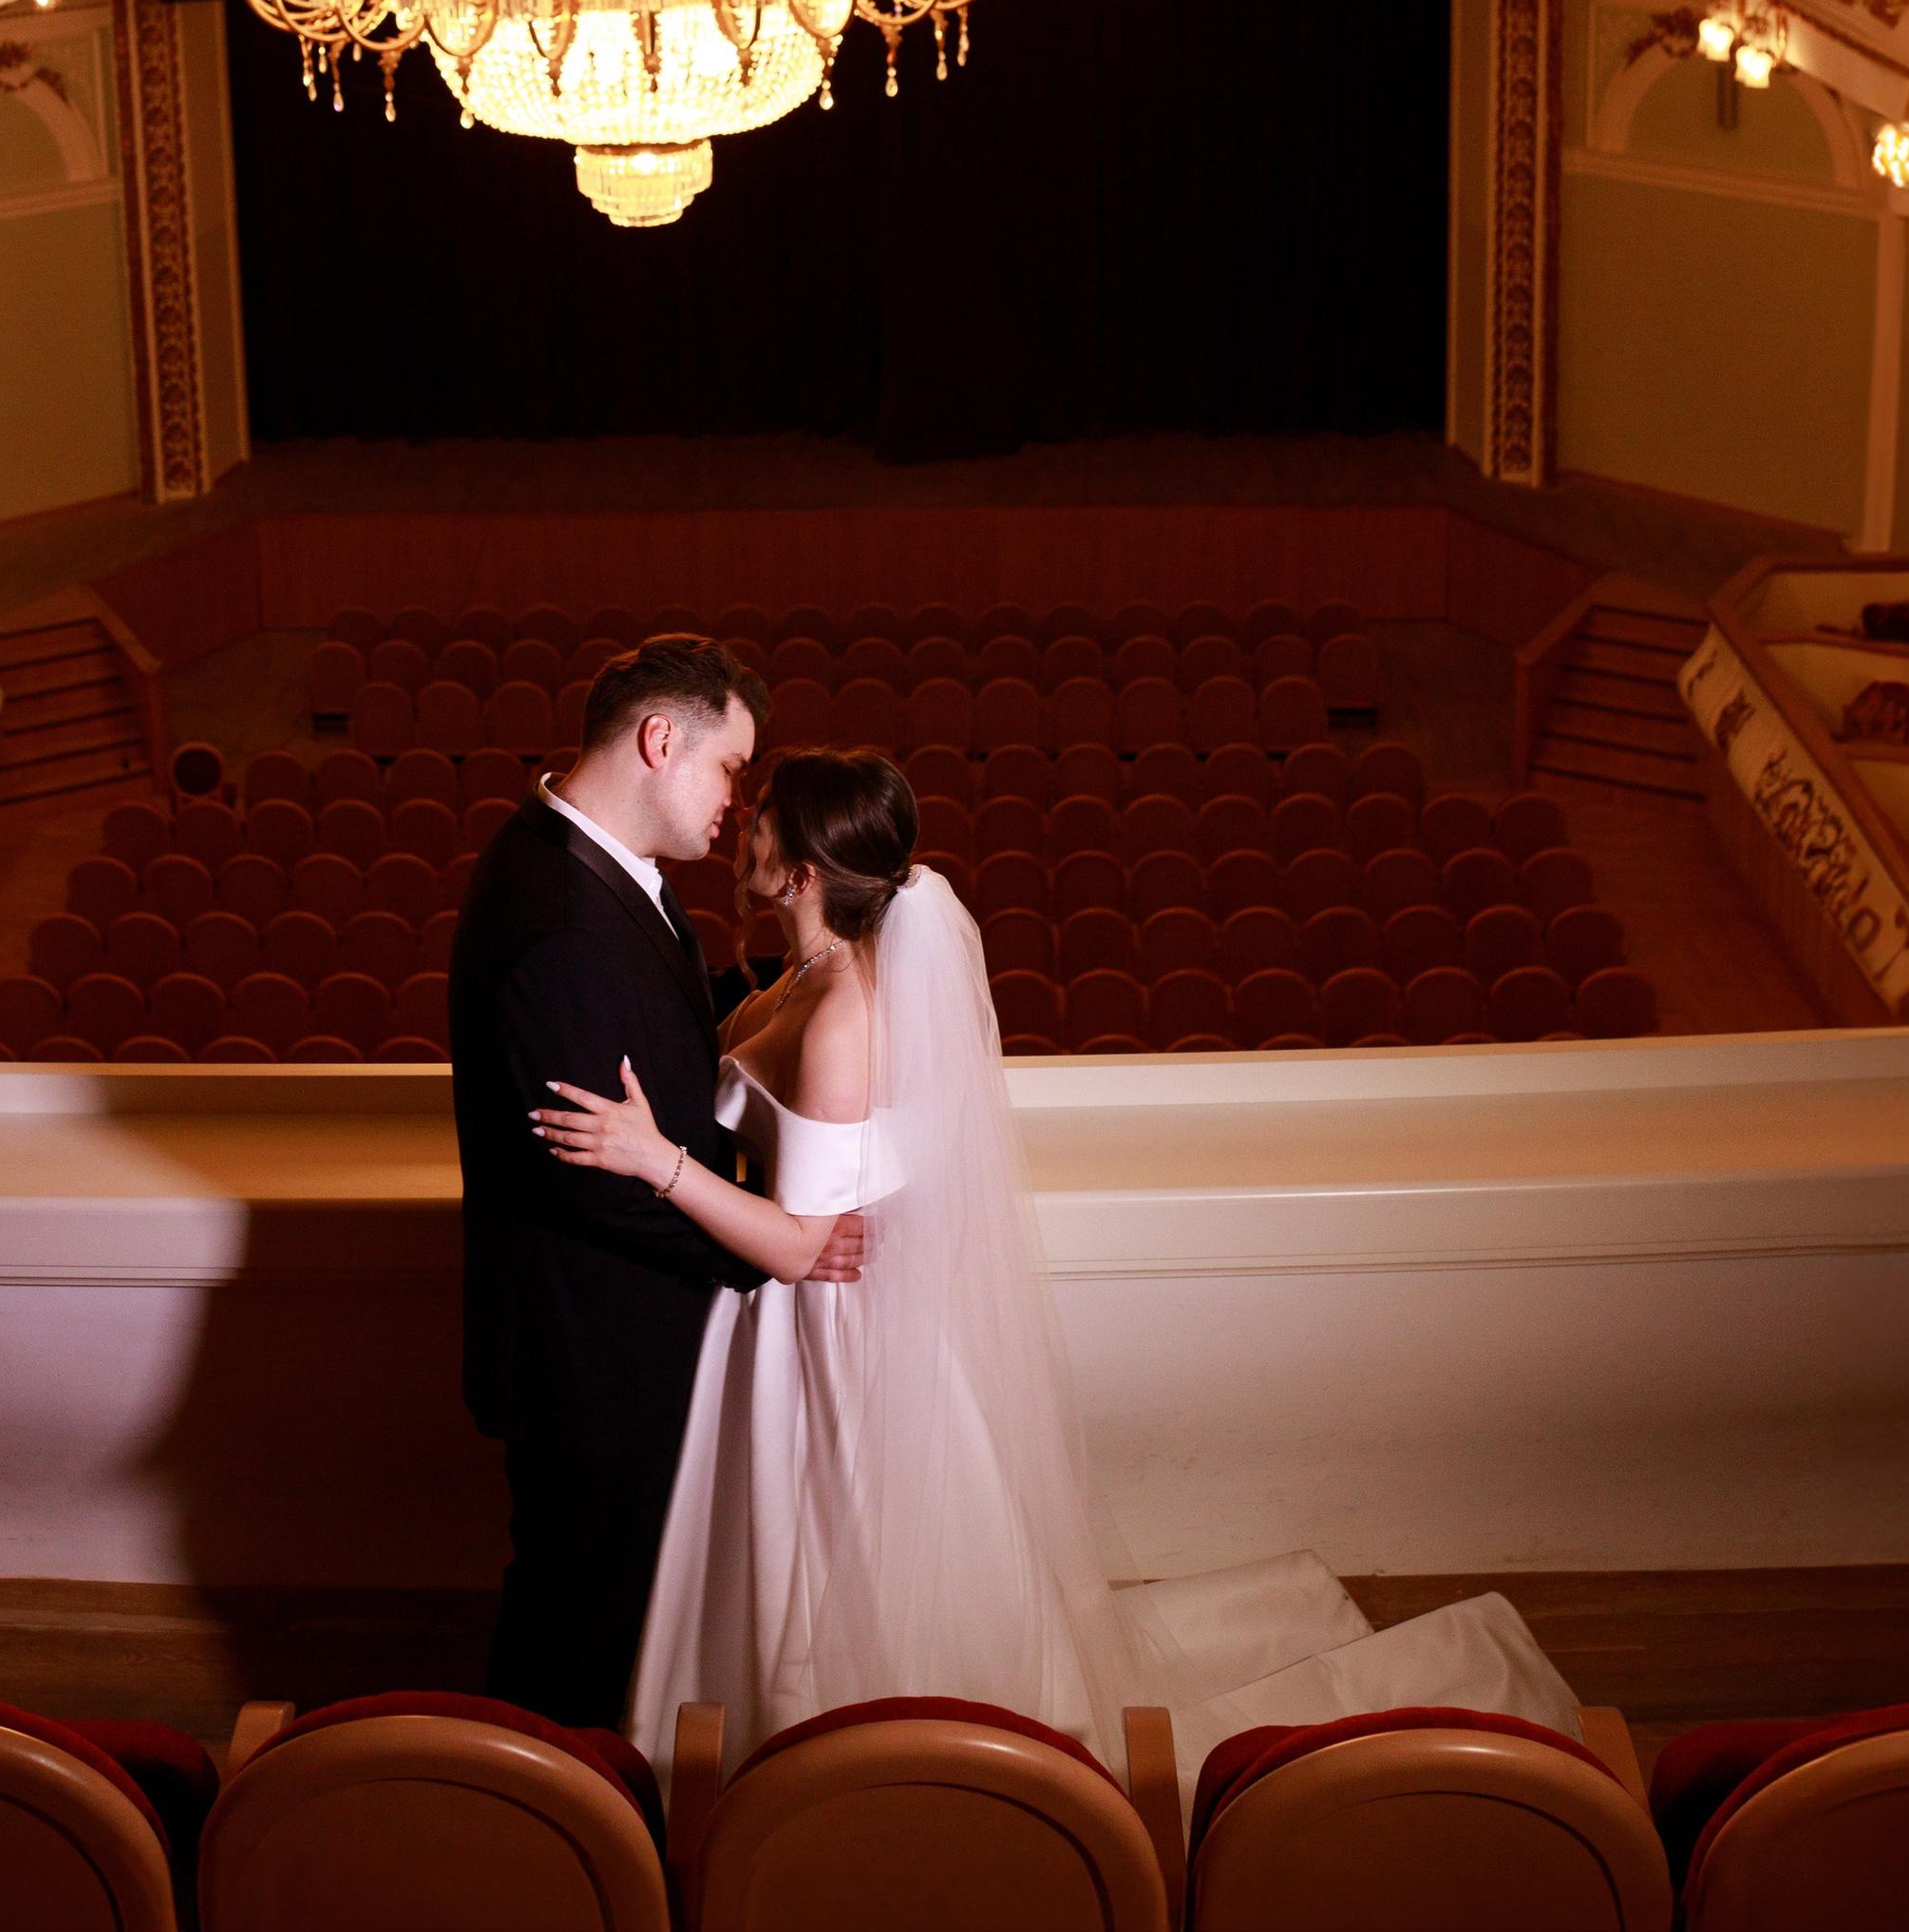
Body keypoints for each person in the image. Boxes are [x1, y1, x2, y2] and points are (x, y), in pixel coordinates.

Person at [537, 747, 1585, 1812]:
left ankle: (858, 1784)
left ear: (802, 875)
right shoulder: (803, 977)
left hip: (830, 1343)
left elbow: (806, 1247)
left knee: (833, 1584)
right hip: (799, 1328)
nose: (739, 825)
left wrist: (650, 1157)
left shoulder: (845, 1017)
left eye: (760, 817)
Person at [447, 635, 863, 1731]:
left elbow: (670, 1028)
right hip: (594, 1353)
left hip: (611, 1339)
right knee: (573, 1637)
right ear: (659, 738)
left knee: (612, 1619)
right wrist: (776, 1242)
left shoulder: (588, 867)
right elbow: (593, 1181)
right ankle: (536, 1835)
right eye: (730, 766)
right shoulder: (560, 921)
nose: (738, 795)